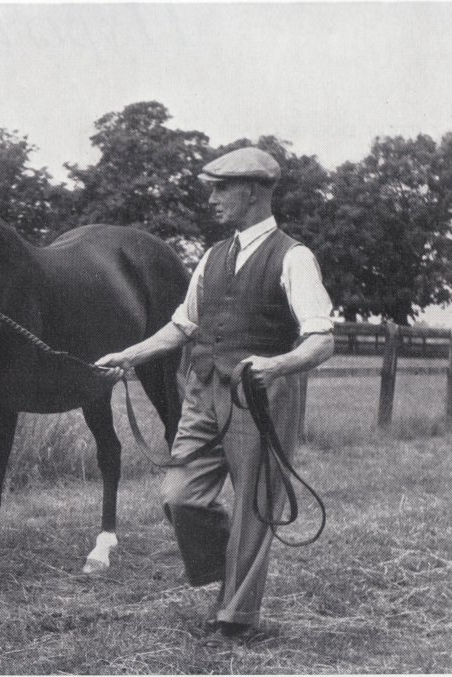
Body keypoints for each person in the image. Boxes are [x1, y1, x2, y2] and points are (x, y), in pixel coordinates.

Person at [96, 147, 334, 642]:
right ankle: (230, 576)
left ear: (252, 191)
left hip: (260, 394)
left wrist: (278, 364)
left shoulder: (294, 257)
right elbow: (182, 326)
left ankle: (236, 618)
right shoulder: (212, 256)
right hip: (203, 390)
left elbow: (321, 339)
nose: (212, 198)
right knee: (180, 496)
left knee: (254, 505)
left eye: (221, 188)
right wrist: (129, 355)